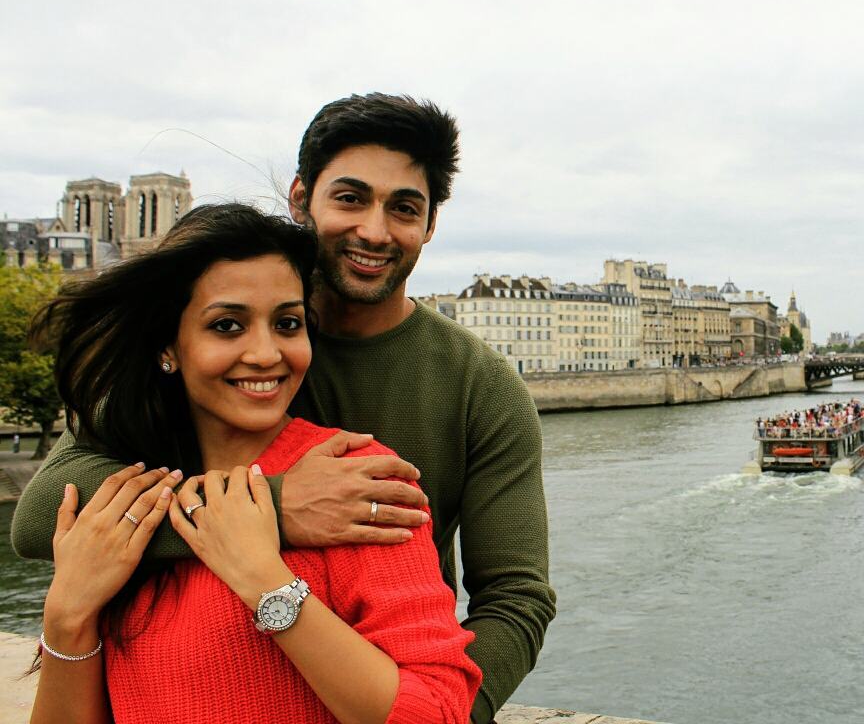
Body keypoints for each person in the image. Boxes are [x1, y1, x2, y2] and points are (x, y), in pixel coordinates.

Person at [13, 93, 556, 723]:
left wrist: (446, 710)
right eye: (350, 198)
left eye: (404, 208)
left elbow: (515, 597)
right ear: (301, 199)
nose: (375, 231)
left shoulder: (478, 386)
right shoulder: (199, 355)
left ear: (430, 225)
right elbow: (42, 519)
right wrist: (277, 508)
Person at [28, 203, 481, 724]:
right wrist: (66, 616)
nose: (267, 353)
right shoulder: (126, 498)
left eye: (287, 323)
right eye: (227, 326)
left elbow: (439, 713)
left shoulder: (355, 481)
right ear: (166, 347)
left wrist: (266, 582)